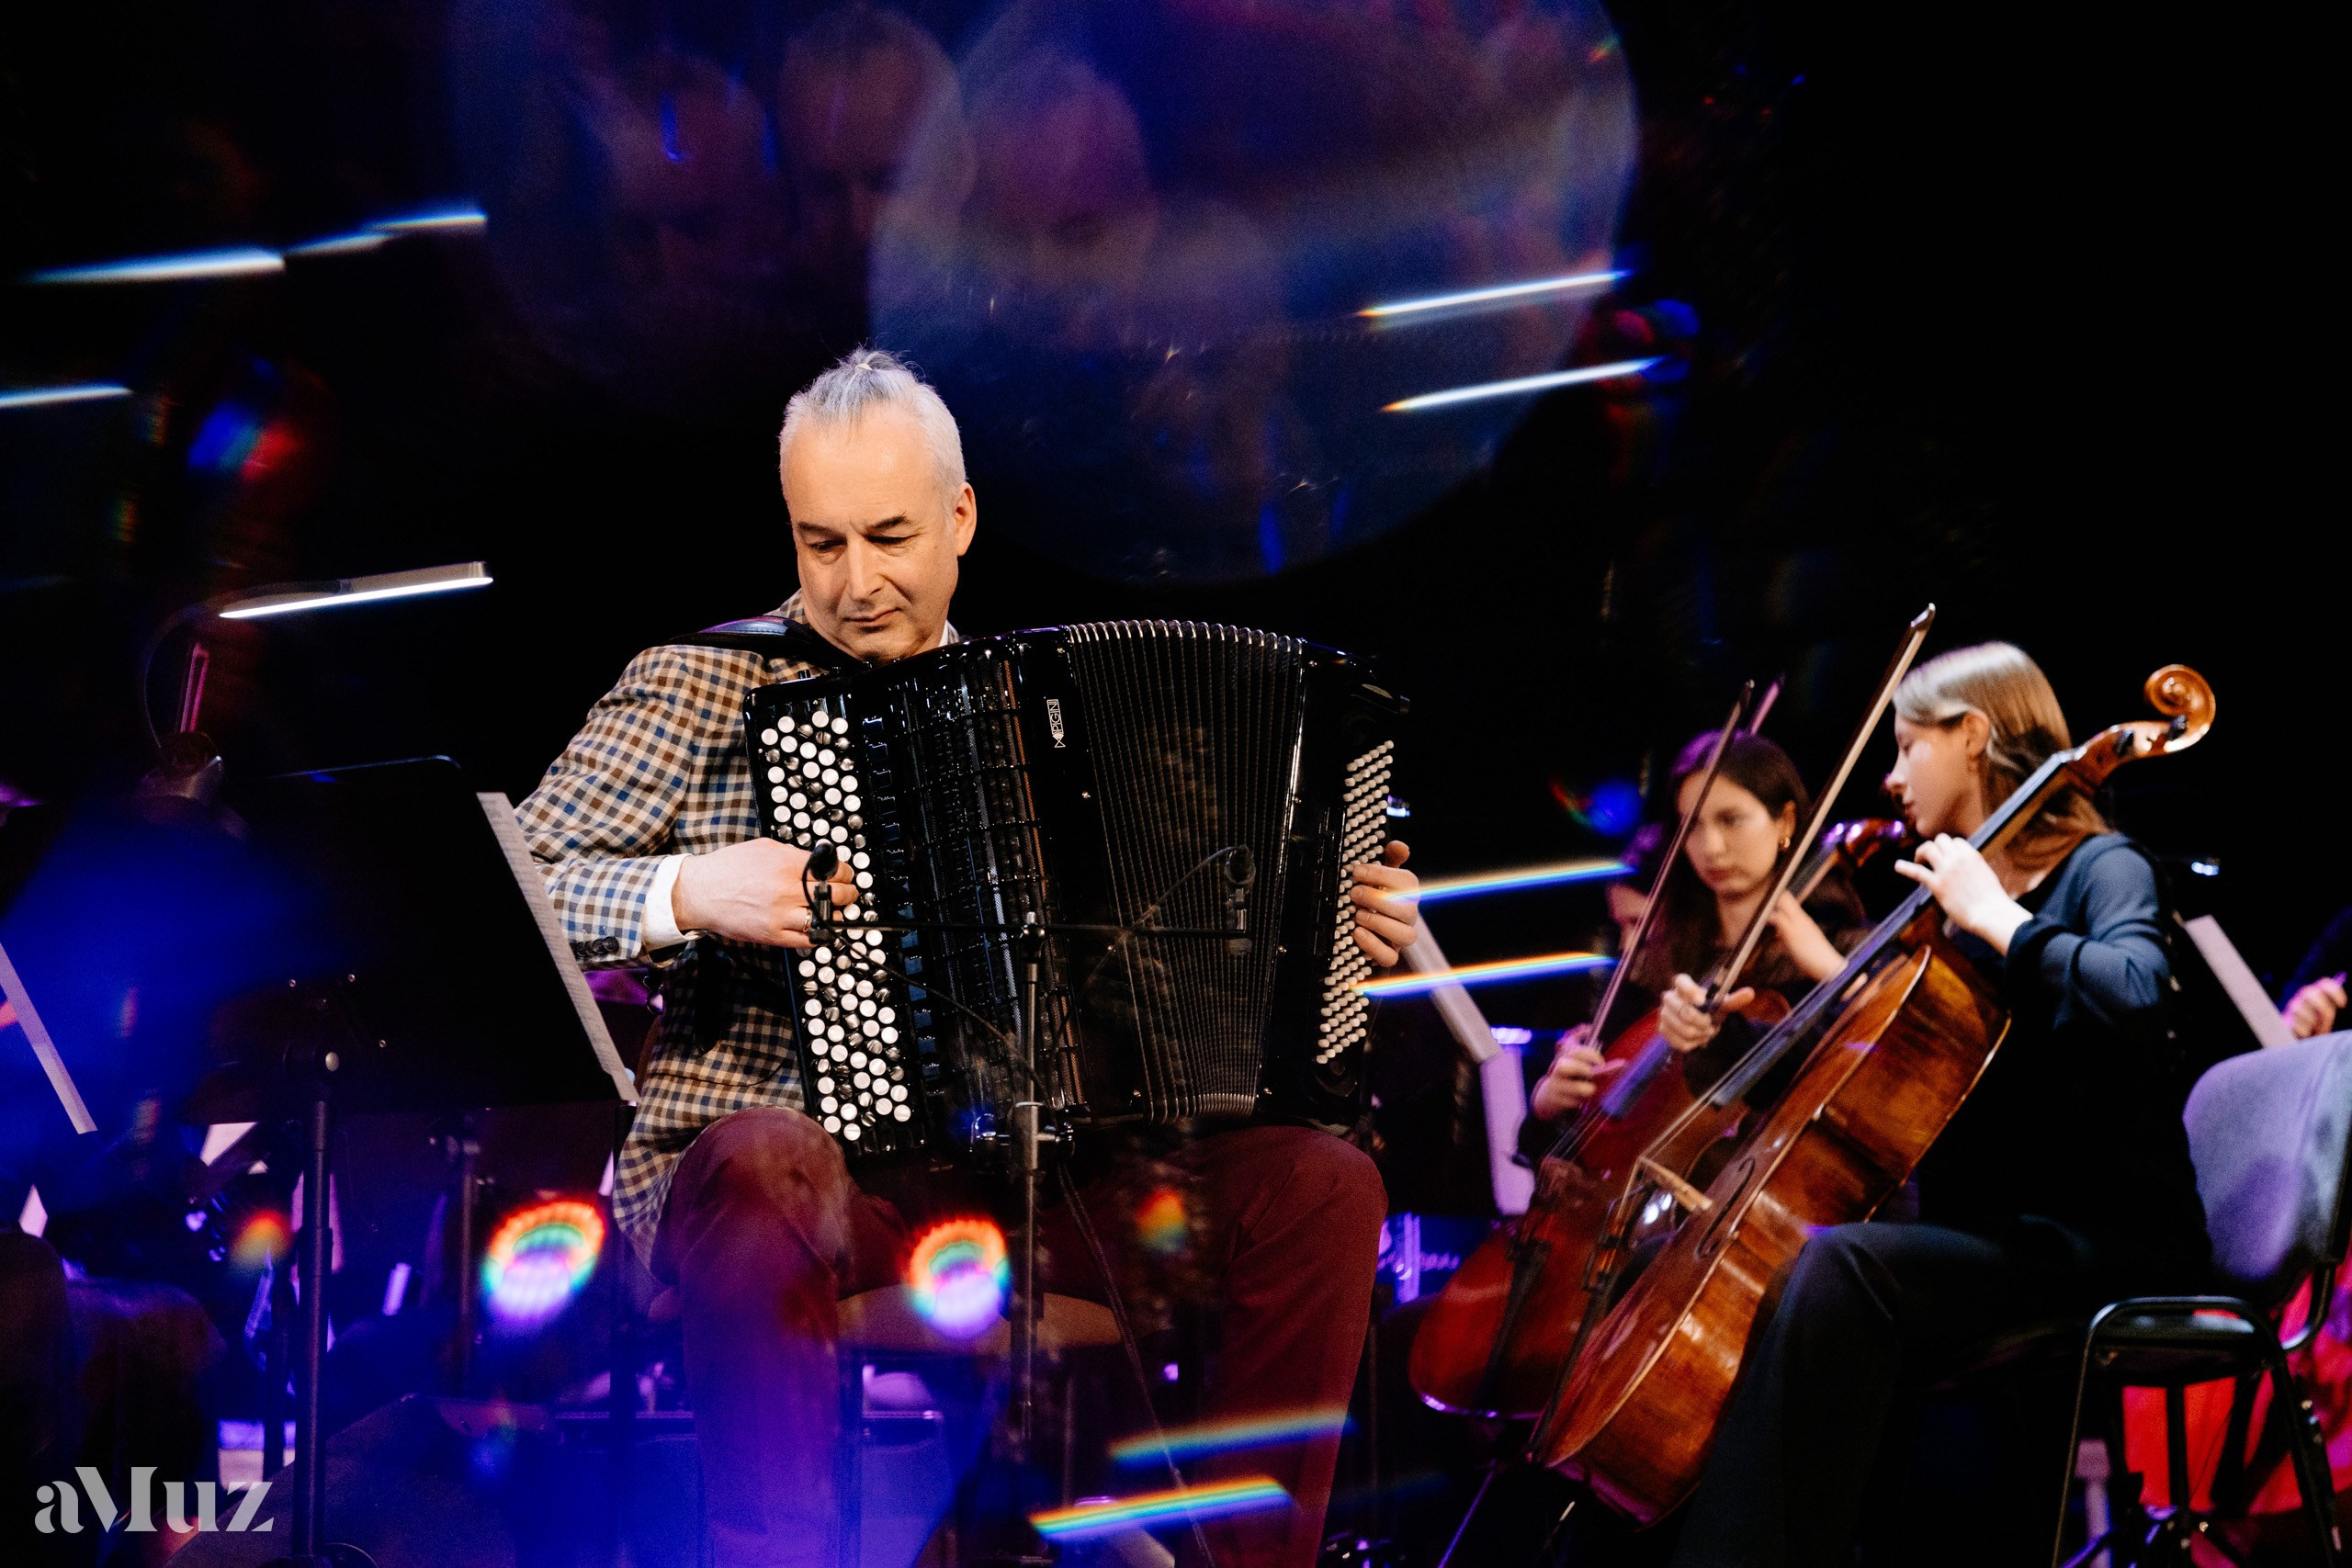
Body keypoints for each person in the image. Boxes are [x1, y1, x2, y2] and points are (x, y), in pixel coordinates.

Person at [517, 346, 1419, 1568]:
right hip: (797, 1184)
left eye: (889, 536)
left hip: (1033, 1185)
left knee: (1322, 1182)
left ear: (961, 518)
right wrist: (686, 887)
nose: (855, 582)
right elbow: (513, 888)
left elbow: (1173, 974)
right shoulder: (700, 682)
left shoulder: (1044, 712)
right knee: (769, 1156)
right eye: (820, 542)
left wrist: (1326, 933)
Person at [1665, 641, 2212, 1567]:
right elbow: (1848, 1068)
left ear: (1971, 738)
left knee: (1844, 1273)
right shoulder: (1944, 904)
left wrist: (1999, 920)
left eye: (1907, 746)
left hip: (2107, 1239)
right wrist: (1717, 1043)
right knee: (1819, 1284)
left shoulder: (2100, 867)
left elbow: (2137, 996)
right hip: (2000, 1238)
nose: (1890, 777)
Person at [1525, 731, 1865, 1133]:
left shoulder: (1843, 948)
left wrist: (1834, 972)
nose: (1711, 847)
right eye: (1692, 826)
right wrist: (1548, 1100)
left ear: (1785, 821)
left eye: (1730, 819)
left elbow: (1859, 1087)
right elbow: (1590, 1127)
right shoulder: (1658, 959)